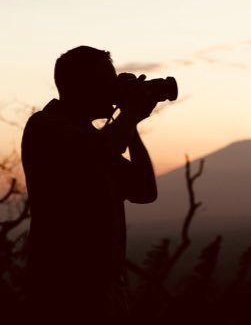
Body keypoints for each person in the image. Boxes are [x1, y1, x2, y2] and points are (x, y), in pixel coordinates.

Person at [21, 46, 158, 323]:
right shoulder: (46, 128)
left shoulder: (93, 138)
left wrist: (132, 125)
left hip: (104, 291)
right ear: (81, 87)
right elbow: (98, 151)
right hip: (63, 291)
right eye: (106, 82)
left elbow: (144, 190)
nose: (113, 89)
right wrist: (129, 115)